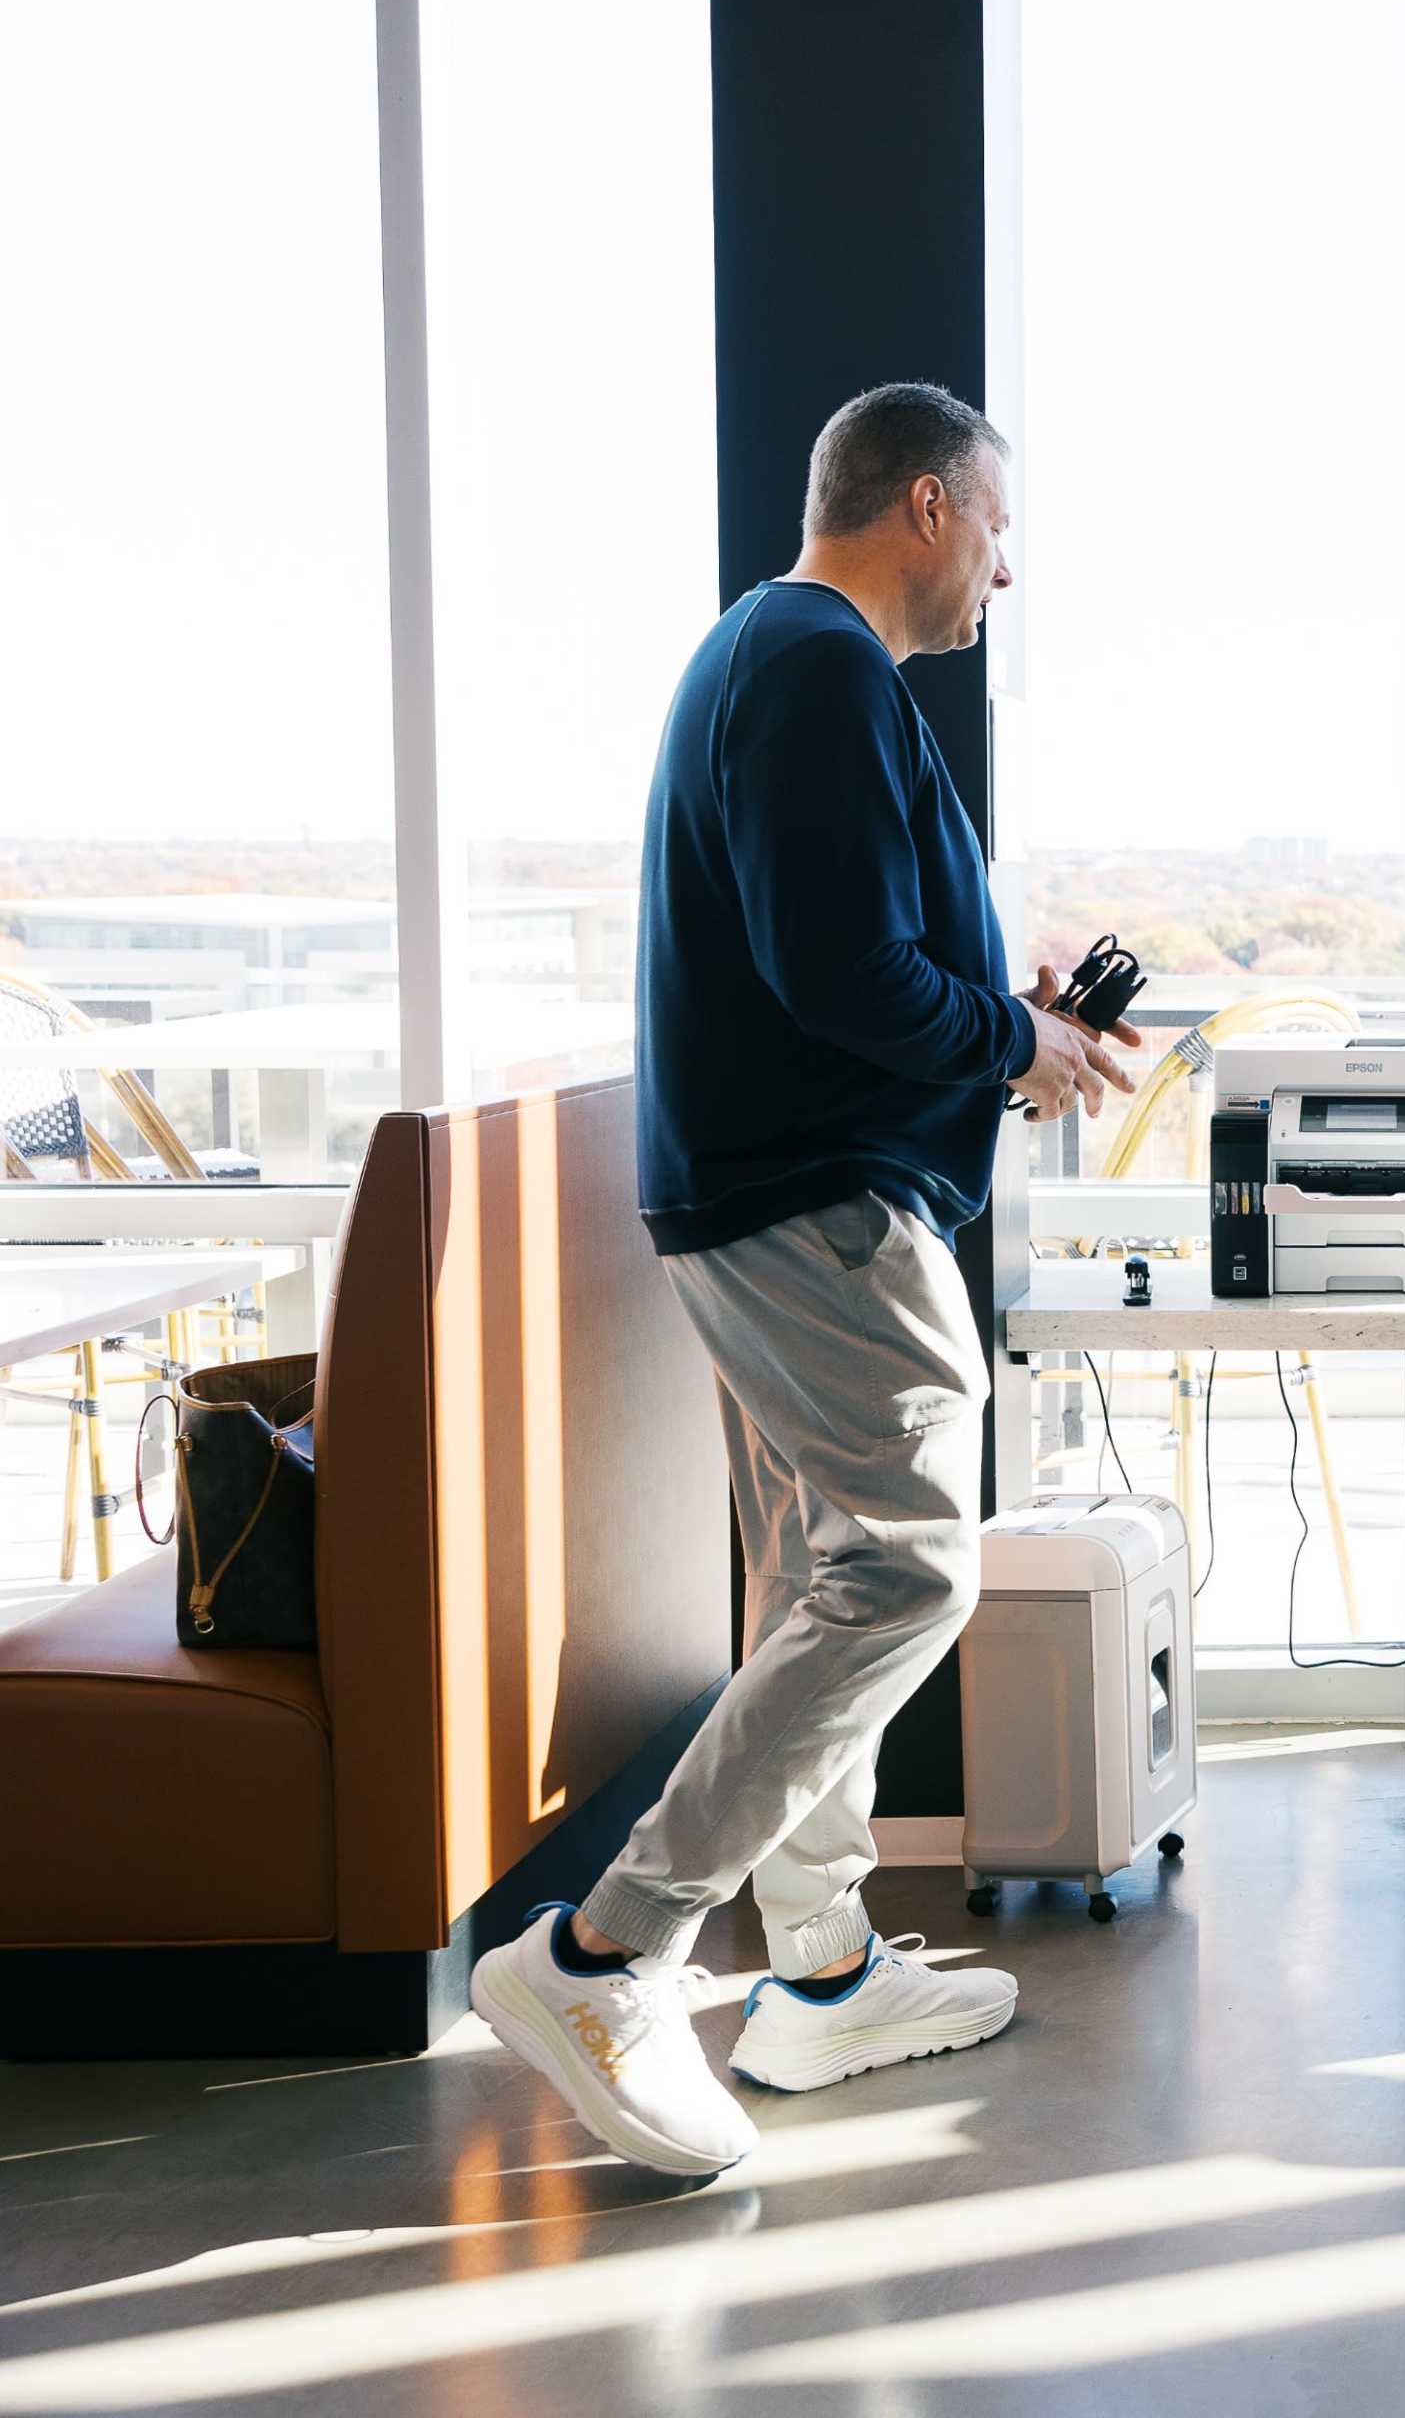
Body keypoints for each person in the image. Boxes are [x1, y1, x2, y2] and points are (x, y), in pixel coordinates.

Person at [470, 383, 1140, 2178]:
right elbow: (842, 974)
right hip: (819, 1203)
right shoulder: (816, 664)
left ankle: (826, 1968)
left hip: (767, 1199)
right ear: (926, 503)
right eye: (998, 525)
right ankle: (608, 1950)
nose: (1012, 564)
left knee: (822, 1581)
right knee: (912, 1565)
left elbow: (856, 940)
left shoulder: (784, 666)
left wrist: (1019, 991)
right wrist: (1018, 1044)